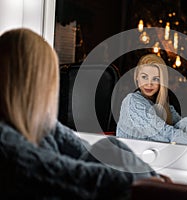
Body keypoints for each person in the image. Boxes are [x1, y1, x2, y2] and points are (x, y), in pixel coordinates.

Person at [0, 28, 165, 199]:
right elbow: (81, 177)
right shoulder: (5, 143)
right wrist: (152, 183)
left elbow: (89, 150)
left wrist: (154, 180)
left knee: (106, 147)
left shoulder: (42, 126)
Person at [116, 54, 187, 149]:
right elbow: (161, 132)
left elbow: (186, 125)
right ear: (137, 77)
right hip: (134, 154)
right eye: (144, 77)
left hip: (155, 151)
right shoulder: (132, 101)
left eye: (155, 79)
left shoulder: (162, 105)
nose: (149, 83)